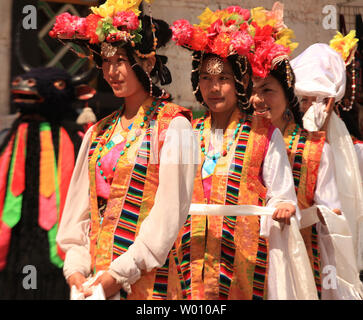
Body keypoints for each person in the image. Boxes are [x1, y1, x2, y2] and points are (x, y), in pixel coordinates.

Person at [50, 0, 197, 300]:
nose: (112, 71)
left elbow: (169, 216)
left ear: (148, 62)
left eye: (121, 61)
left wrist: (117, 276)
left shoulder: (174, 127)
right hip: (93, 283)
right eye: (105, 62)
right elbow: (80, 211)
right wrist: (76, 270)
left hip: (147, 286)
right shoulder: (98, 132)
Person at [171, 3, 317, 300]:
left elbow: (281, 190)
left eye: (223, 79)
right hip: (190, 254)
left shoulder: (263, 134)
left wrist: (284, 205)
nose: (214, 88)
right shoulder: (186, 131)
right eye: (206, 79)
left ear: (239, 82)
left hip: (244, 260)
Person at [252, 38, 363, 298]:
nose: (258, 99)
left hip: (301, 261)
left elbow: (331, 221)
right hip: (244, 257)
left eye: (268, 90)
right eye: (253, 90)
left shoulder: (314, 149)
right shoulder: (242, 141)